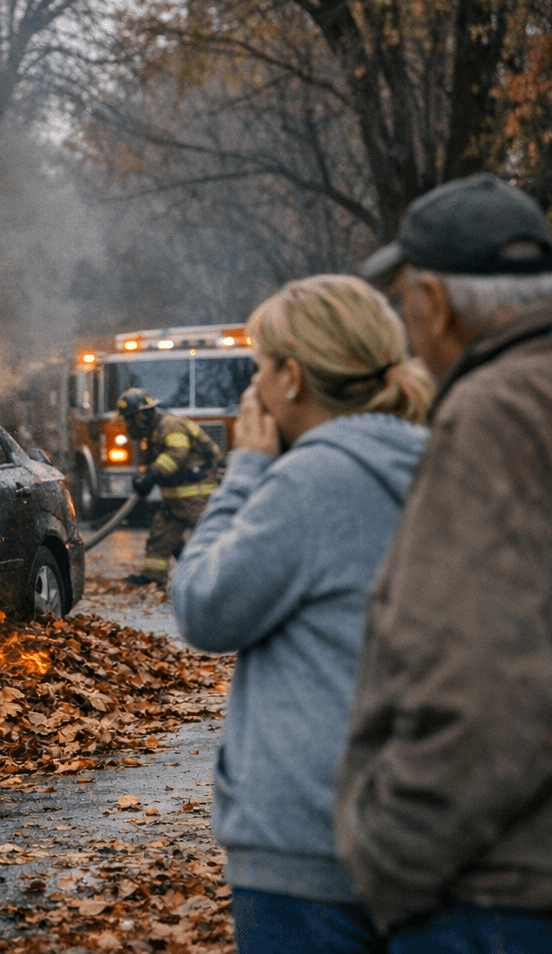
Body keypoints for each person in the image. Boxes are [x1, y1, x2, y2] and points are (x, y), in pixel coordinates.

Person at [335, 172, 552, 949]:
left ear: (436, 303)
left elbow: (488, 694)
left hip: (506, 892)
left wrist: (391, 859)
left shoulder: (493, 418)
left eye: (407, 302)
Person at [169, 275, 433, 953]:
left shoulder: (307, 482)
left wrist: (247, 469)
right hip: (428, 832)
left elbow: (204, 606)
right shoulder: (440, 460)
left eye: (258, 367)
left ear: (290, 377)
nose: (252, 386)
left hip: (310, 850)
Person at [117, 387, 222, 585]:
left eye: (130, 419)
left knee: (208, 538)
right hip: (177, 497)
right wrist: (145, 479)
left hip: (197, 494)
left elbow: (177, 453)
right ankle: (153, 577)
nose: (129, 425)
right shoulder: (154, 432)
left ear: (143, 415)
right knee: (161, 534)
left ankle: (215, 579)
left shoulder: (170, 425)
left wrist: (151, 476)